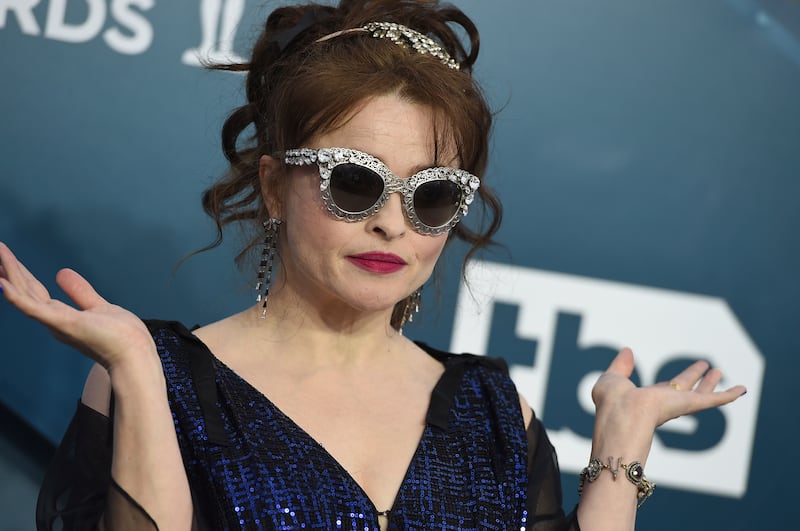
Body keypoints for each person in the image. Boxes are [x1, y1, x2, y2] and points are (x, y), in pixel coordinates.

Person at [0, 1, 746, 530]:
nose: (392, 219)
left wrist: (618, 449)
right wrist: (135, 368)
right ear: (272, 186)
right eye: (354, 181)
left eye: (432, 195)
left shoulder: (493, 410)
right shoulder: (156, 377)